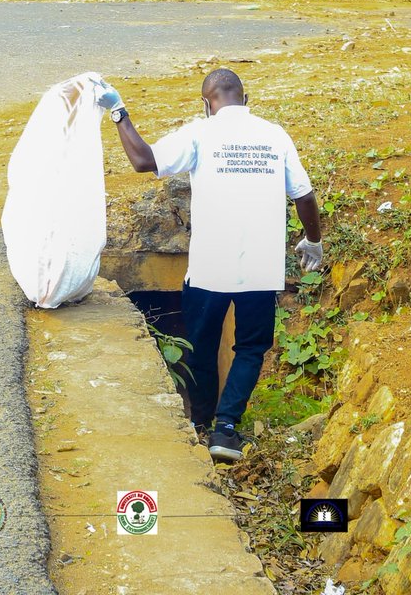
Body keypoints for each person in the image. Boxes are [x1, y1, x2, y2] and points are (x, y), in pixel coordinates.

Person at [97, 69, 323, 462]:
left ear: (206, 104)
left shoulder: (200, 134)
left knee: (201, 348)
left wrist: (118, 111)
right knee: (250, 349)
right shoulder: (275, 136)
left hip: (208, 269)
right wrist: (313, 241)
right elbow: (303, 195)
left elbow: (142, 160)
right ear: (245, 99)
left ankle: (200, 423)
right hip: (260, 268)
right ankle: (226, 428)